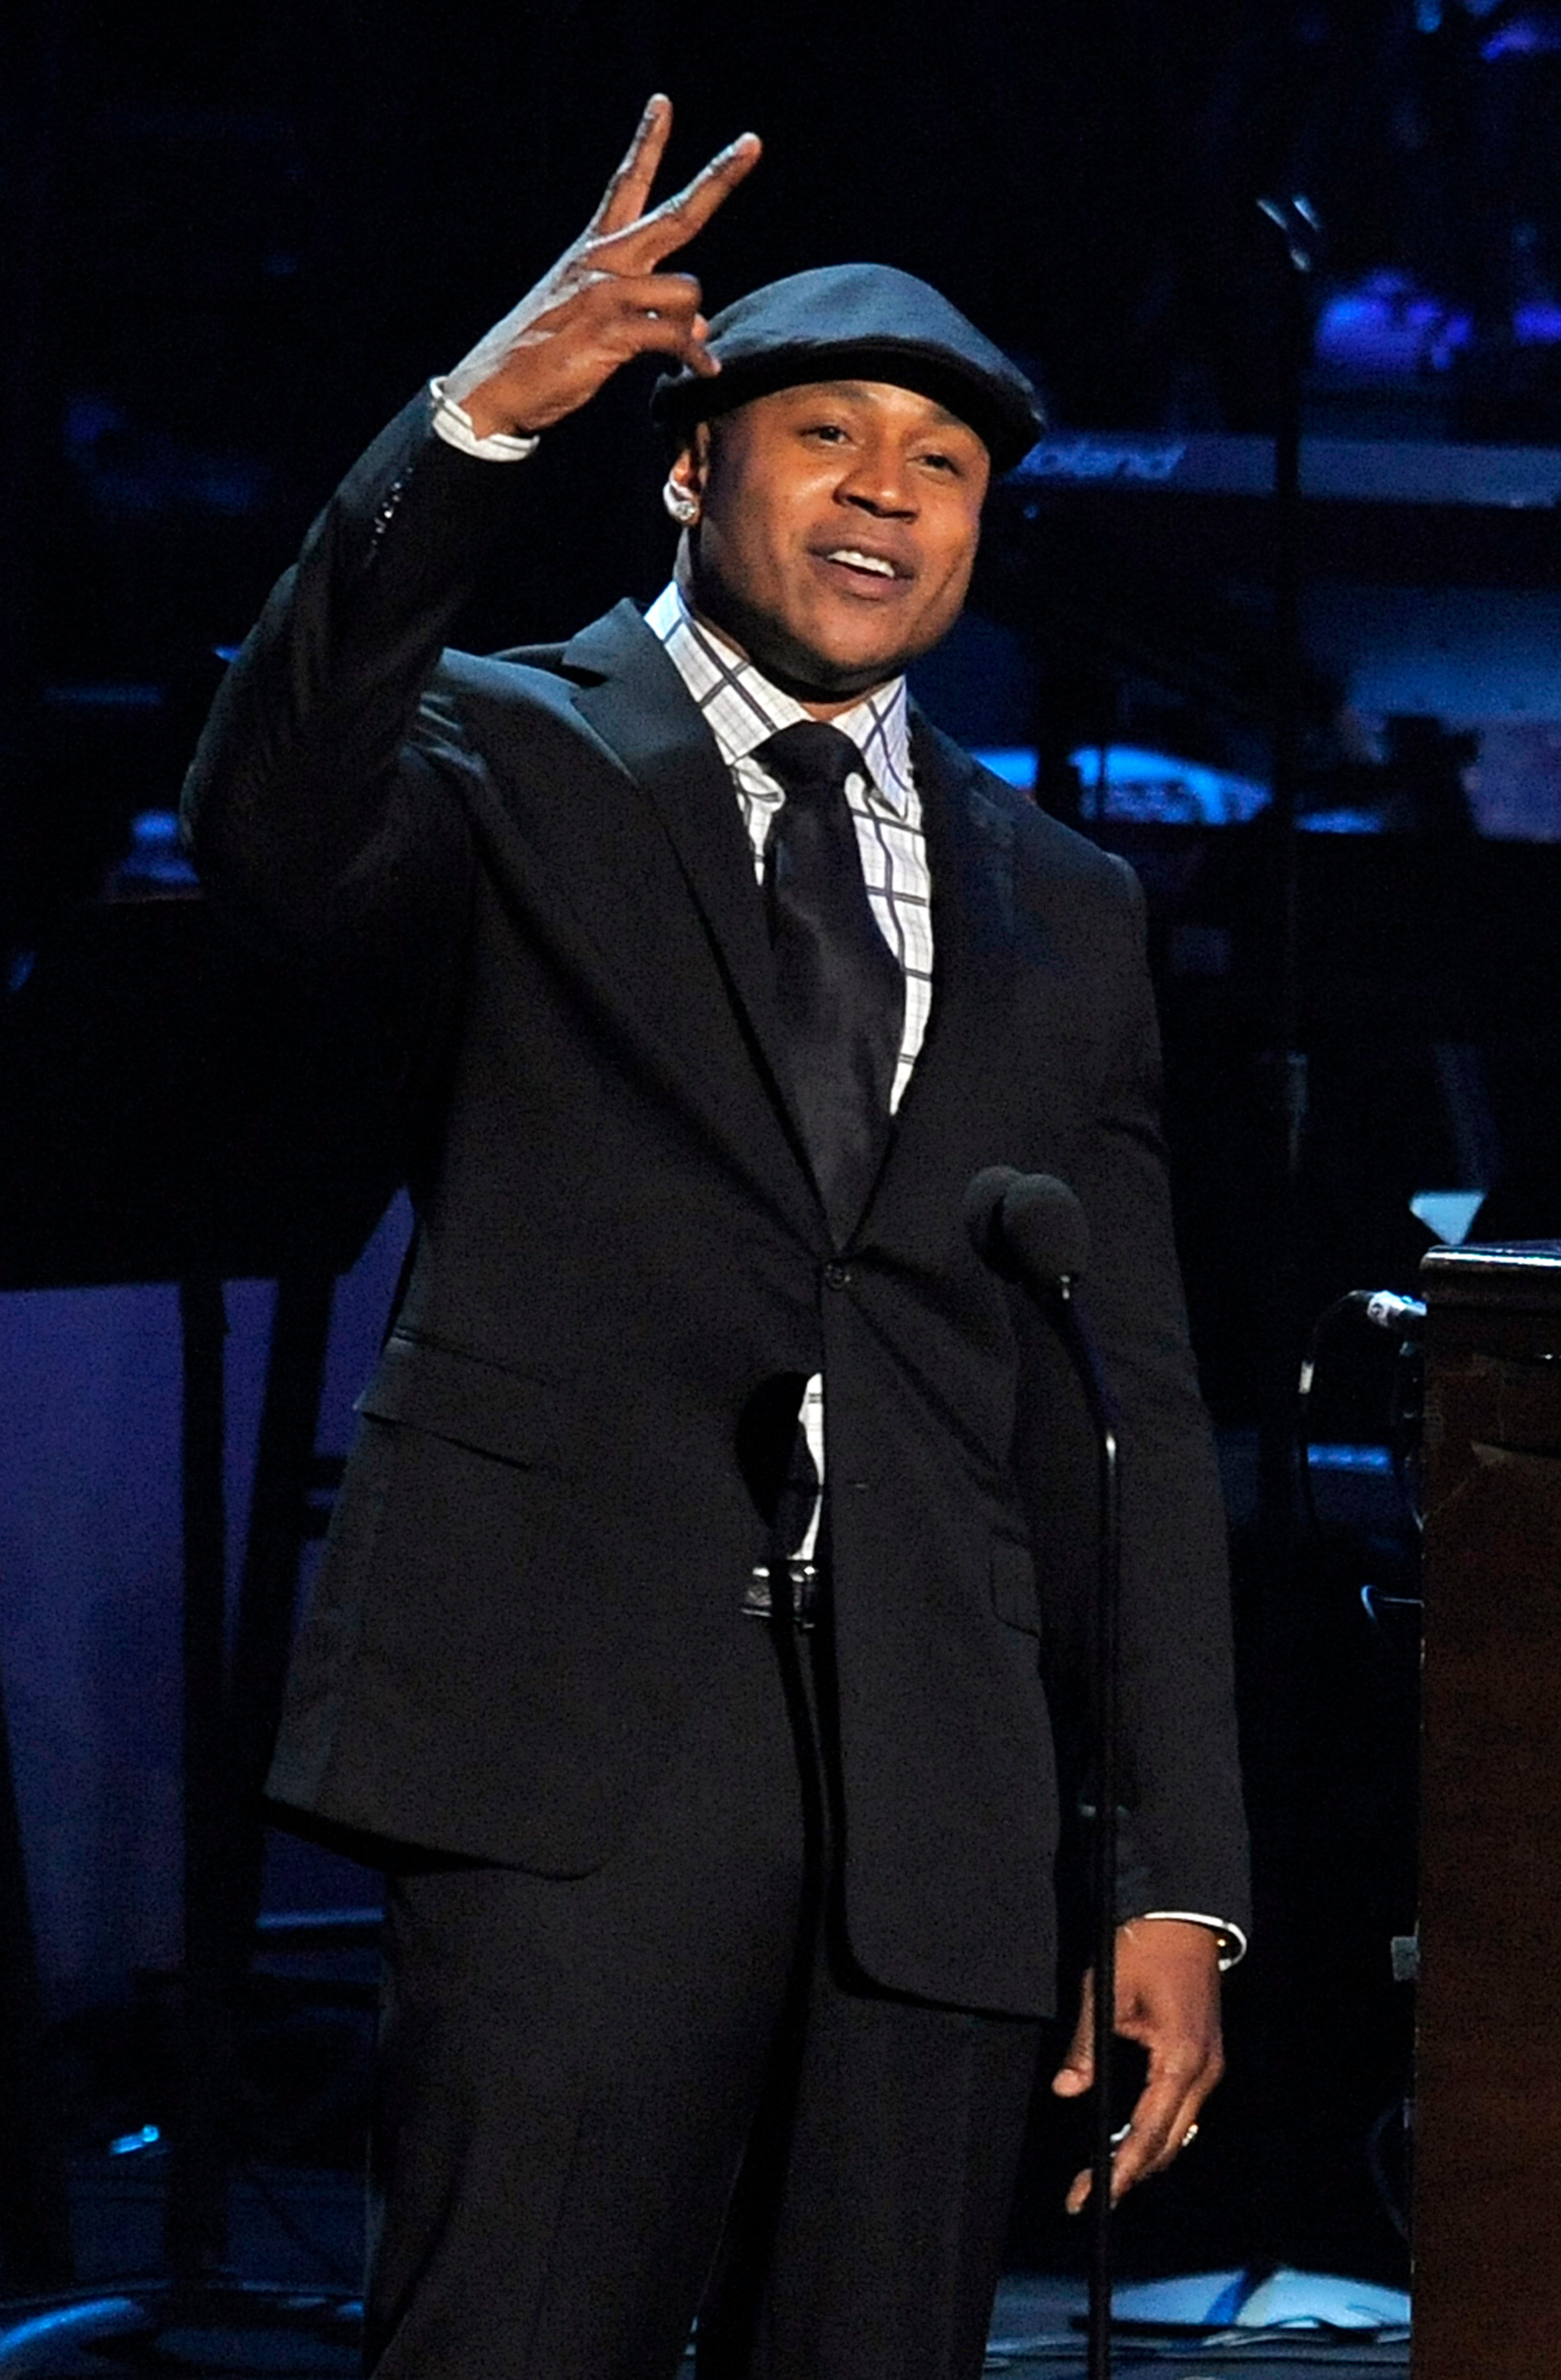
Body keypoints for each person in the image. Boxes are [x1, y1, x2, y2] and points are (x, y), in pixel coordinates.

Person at [183, 95, 1248, 2380]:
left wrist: (1171, 1869)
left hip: (940, 1791)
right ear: (690, 469)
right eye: (829, 435)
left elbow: (1127, 1402)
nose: (888, 489)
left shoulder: (1066, 906)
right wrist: (469, 429)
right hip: (574, 1750)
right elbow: (267, 824)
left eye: (945, 463)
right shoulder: (506, 748)